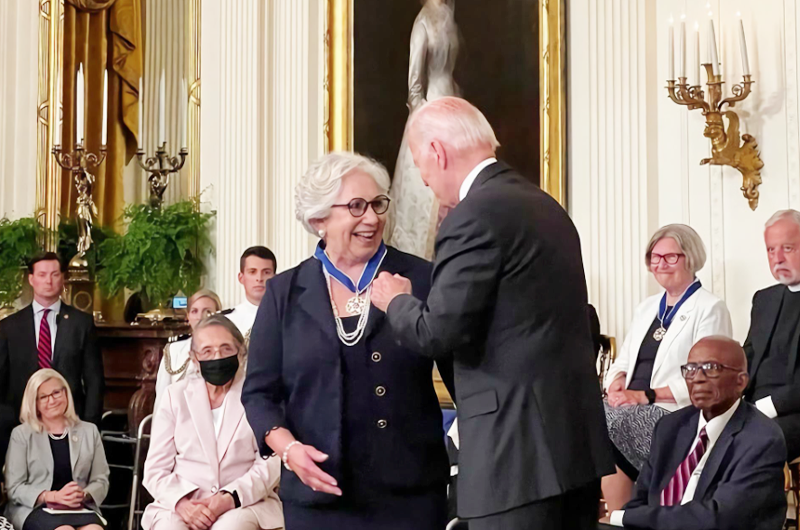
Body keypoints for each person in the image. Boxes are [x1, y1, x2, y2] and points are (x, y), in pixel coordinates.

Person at [371, 97, 613, 530]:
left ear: (436, 152)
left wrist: (396, 300)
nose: (422, 179)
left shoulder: (473, 215)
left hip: (515, 457)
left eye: (417, 164)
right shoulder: (545, 206)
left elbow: (437, 332)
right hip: (572, 449)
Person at [242, 152, 451, 530]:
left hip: (411, 496)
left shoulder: (422, 279)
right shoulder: (284, 292)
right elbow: (259, 393)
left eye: (377, 204)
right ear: (319, 218)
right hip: (318, 498)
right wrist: (288, 450)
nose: (372, 218)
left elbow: (463, 372)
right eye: (356, 206)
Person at [601, 225, 733, 512]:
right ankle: (618, 516)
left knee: (609, 424)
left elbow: (708, 378)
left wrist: (645, 396)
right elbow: (623, 361)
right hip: (631, 406)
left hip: (676, 412)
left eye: (670, 257)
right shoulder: (647, 308)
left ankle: (628, 514)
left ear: (691, 257)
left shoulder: (710, 307)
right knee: (590, 417)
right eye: (654, 257)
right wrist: (615, 386)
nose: (660, 264)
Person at [607, 337, 786, 530]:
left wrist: (632, 518)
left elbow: (719, 518)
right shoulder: (671, 427)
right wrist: (630, 518)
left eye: (711, 368)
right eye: (690, 369)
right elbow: (641, 500)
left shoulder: (762, 438)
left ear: (740, 381)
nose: (698, 378)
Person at [142, 315, 283, 530]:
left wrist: (229, 498)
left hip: (243, 503)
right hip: (181, 504)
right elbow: (155, 470)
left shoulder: (259, 396)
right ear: (194, 359)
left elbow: (269, 463)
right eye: (207, 351)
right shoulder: (175, 396)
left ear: (241, 352)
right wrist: (182, 504)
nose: (217, 357)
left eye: (226, 349)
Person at [389, 0, 460, 259]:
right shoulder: (423, 20)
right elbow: (415, 84)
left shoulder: (448, 18)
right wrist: (424, 122)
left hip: (452, 103)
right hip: (430, 109)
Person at [0, 253, 104, 425]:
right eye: (42, 275)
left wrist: (90, 425)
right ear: (31, 279)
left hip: (70, 421)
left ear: (63, 278)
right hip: (20, 422)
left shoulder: (81, 324)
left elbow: (95, 381)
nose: (48, 281)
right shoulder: (8, 327)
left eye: (54, 275)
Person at [4, 369, 110, 530]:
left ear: (66, 393)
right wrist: (53, 496)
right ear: (35, 403)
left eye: (56, 393)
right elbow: (14, 487)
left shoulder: (89, 431)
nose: (52, 400)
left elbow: (101, 480)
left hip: (79, 507)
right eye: (44, 397)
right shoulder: (21, 435)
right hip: (34, 508)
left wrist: (83, 494)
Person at [743, 208, 800, 461]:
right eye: (770, 250)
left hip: (793, 411)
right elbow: (746, 357)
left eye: (787, 248)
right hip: (754, 406)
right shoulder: (764, 299)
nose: (777, 259)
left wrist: (764, 408)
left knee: (750, 444)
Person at [154, 289, 222, 411]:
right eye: (194, 311)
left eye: (207, 311)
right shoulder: (173, 351)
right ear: (188, 317)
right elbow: (161, 400)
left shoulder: (225, 351)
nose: (200, 317)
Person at [222, 247, 277, 341]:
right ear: (241, 278)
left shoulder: (289, 318)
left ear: (275, 278)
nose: (259, 278)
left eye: (266, 272)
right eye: (252, 272)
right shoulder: (226, 321)